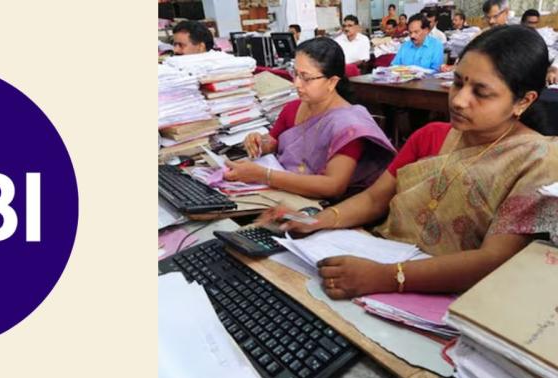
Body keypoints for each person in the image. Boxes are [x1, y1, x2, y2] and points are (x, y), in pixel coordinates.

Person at [256, 25, 558, 300]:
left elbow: (493, 260)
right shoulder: (432, 135)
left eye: (481, 92)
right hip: (380, 259)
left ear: (523, 101)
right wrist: (316, 220)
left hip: (453, 298)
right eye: (457, 82)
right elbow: (375, 199)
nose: (458, 100)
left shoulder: (538, 161)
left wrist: (388, 277)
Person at [233, 38, 396, 200]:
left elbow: (333, 186)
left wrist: (265, 175)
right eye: (295, 74)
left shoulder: (349, 126)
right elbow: (274, 140)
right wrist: (259, 143)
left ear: (332, 82)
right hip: (285, 191)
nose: (297, 84)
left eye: (306, 77)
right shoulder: (293, 107)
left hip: (327, 204)